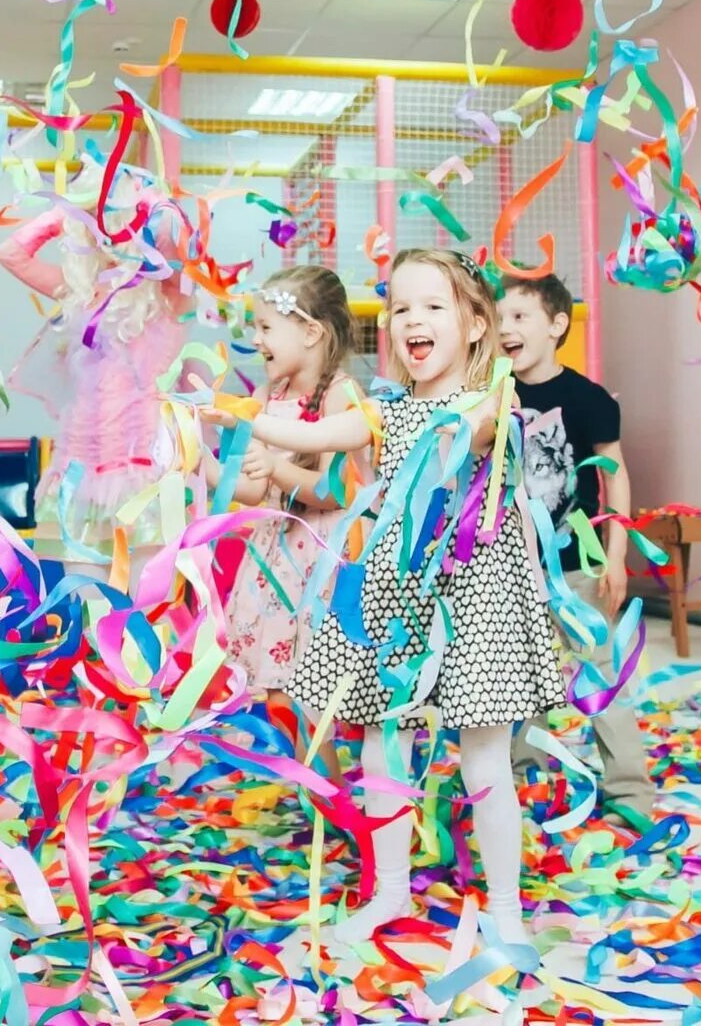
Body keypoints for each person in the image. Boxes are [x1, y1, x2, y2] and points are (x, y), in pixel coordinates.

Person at [206, 248, 564, 948]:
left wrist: (452, 425)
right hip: (395, 591)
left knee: (485, 754)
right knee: (381, 741)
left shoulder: (489, 397)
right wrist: (231, 414)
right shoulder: (387, 408)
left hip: (477, 591)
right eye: (400, 308)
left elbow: (466, 436)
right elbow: (311, 435)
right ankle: (390, 893)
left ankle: (509, 915)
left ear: (475, 326)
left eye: (433, 306)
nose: (412, 321)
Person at [498, 273, 656, 825]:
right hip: (513, 571)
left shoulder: (588, 399)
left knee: (601, 679)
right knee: (519, 685)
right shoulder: (494, 398)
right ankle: (520, 785)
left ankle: (631, 797)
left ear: (556, 325)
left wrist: (615, 556)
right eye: (500, 319)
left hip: (579, 570)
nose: (505, 328)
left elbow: (617, 478)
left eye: (519, 317)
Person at [0, 168, 191, 577]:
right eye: (92, 222)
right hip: (79, 472)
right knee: (92, 613)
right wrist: (69, 209)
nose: (104, 233)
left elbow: (180, 236)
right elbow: (10, 253)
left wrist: (143, 197)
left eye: (112, 220)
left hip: (142, 472)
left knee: (145, 616)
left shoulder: (163, 294)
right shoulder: (77, 291)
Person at [203, 266, 358, 774]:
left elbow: (333, 490)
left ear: (311, 332)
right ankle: (313, 782)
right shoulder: (273, 398)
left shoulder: (341, 395)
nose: (257, 339)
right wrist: (197, 461)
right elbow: (253, 490)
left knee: (313, 693)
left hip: (320, 561)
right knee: (278, 689)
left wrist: (278, 467)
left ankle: (326, 793)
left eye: (267, 327)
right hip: (274, 560)